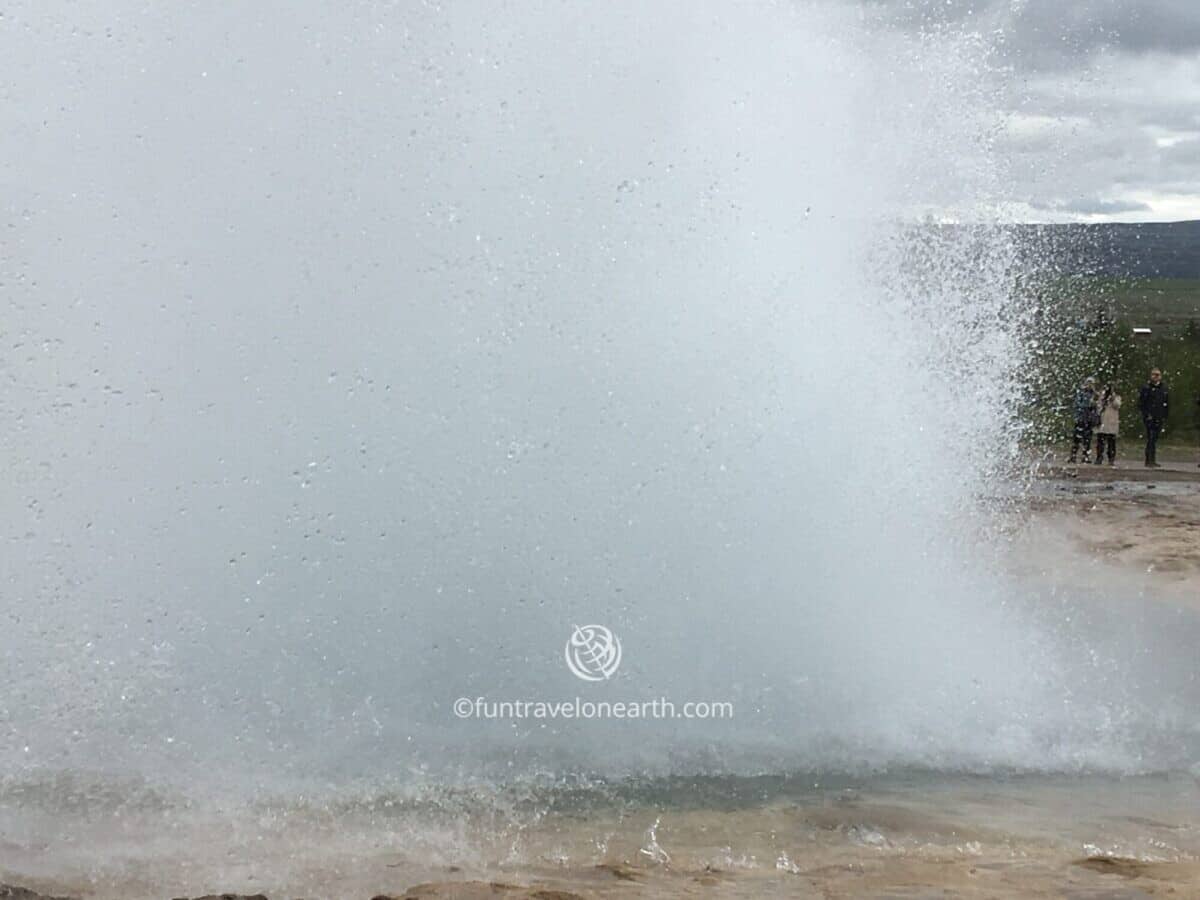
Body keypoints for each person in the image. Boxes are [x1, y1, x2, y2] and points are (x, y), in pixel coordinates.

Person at [1137, 368, 1169, 468]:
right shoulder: (1146, 388)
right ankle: (1148, 460)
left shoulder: (1163, 388)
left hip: (1159, 417)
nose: (1156, 376)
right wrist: (1146, 414)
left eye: (1158, 375)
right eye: (1154, 374)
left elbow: (1167, 403)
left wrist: (1164, 415)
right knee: (1150, 438)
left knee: (1154, 438)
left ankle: (1152, 459)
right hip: (1149, 417)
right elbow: (1142, 403)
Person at [1069, 376, 1099, 464]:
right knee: (1076, 438)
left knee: (1087, 439)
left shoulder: (1094, 394)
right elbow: (1077, 404)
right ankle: (1073, 456)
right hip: (1081, 418)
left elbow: (1097, 406)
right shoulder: (1081, 393)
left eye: (1091, 384)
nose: (1090, 385)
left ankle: (1085, 456)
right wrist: (1088, 404)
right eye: (1088, 383)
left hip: (1089, 419)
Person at [1094, 384, 1121, 466]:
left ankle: (1111, 458)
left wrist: (1112, 397)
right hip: (1102, 423)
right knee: (1100, 443)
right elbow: (1098, 407)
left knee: (1111, 443)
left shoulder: (1116, 397)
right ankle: (1099, 457)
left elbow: (1117, 405)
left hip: (1112, 424)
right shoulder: (1101, 398)